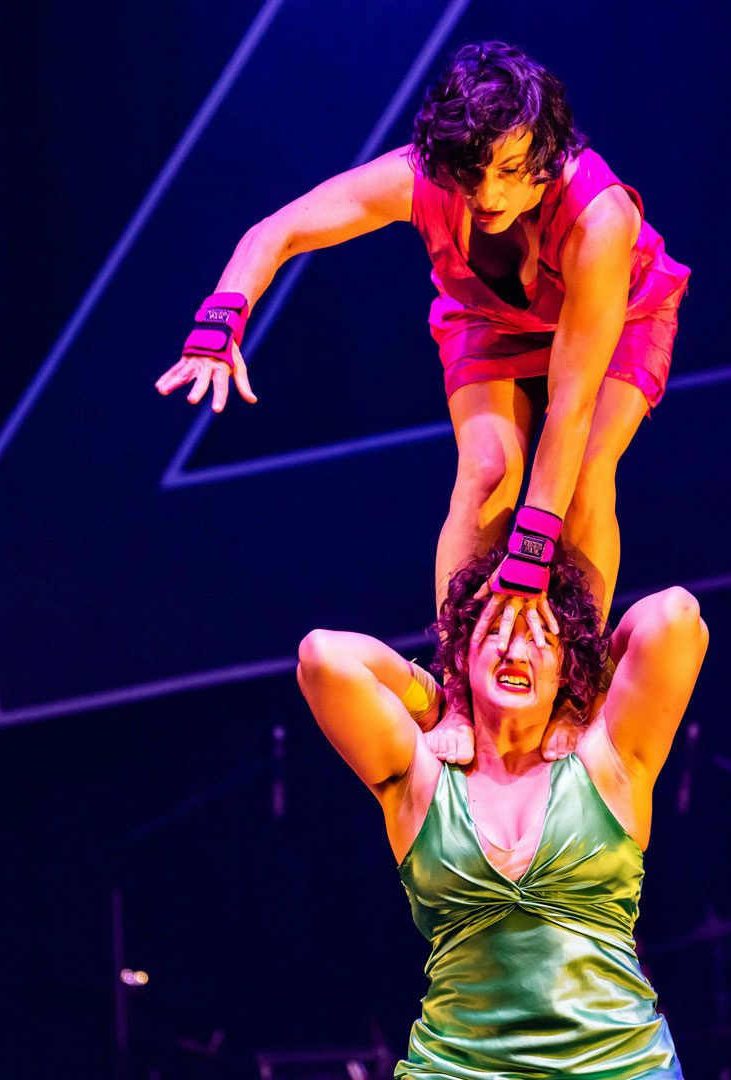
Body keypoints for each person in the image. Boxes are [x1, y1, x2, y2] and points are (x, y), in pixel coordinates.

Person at [158, 41, 692, 750]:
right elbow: (278, 231)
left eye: (510, 171)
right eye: (473, 172)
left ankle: (577, 692)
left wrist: (530, 556)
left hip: (620, 315)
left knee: (587, 474)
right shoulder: (422, 179)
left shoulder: (600, 218)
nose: (489, 195)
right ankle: (460, 696)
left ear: (545, 153)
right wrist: (220, 319)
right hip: (486, 316)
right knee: (487, 473)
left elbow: (571, 404)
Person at [295, 548, 709, 1078]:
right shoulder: (422, 777)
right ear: (463, 655)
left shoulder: (608, 761)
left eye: (541, 637)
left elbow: (676, 616)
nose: (516, 650)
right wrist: (440, 704)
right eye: (495, 631)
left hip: (620, 1067)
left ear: (565, 669)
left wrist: (584, 696)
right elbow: (323, 657)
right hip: (457, 1069)